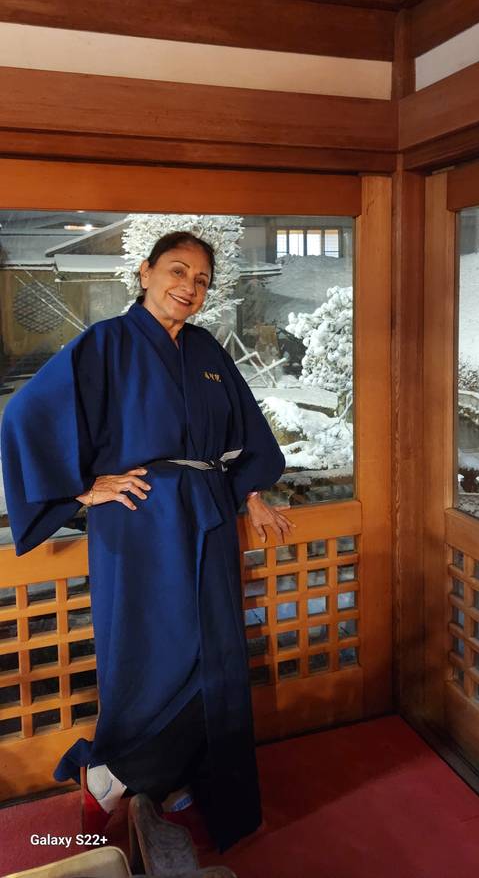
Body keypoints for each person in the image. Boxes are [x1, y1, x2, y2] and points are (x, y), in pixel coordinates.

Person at [1, 231, 292, 851]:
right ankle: (115, 773)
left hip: (208, 516)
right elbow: (25, 415)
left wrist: (253, 493)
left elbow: (243, 431)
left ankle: (178, 778)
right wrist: (82, 489)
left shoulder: (209, 349)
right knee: (153, 649)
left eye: (202, 280)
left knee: (214, 649)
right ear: (145, 271)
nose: (189, 287)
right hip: (139, 522)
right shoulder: (106, 344)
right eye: (177, 271)